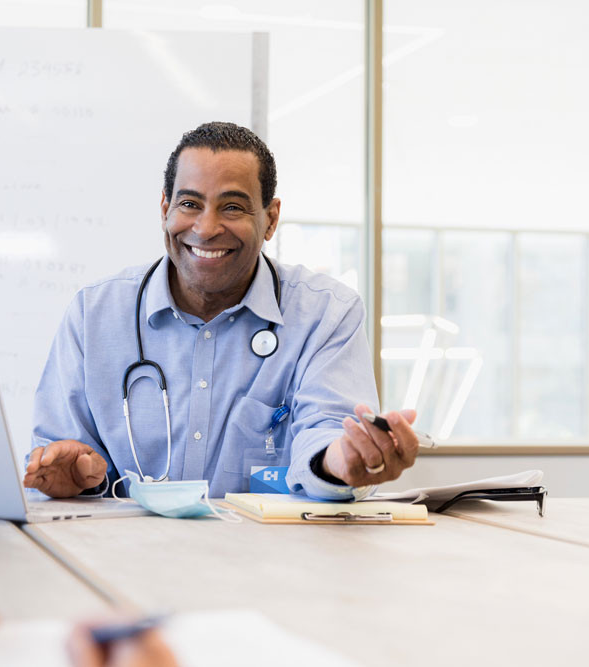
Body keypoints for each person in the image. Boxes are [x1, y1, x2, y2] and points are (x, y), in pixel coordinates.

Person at [25, 122, 421, 501]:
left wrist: (342, 461)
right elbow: (65, 455)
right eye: (189, 203)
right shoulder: (94, 314)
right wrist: (75, 476)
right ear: (165, 208)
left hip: (269, 561)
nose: (207, 227)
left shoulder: (326, 315)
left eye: (232, 207)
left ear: (271, 218)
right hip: (121, 557)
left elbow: (327, 432)